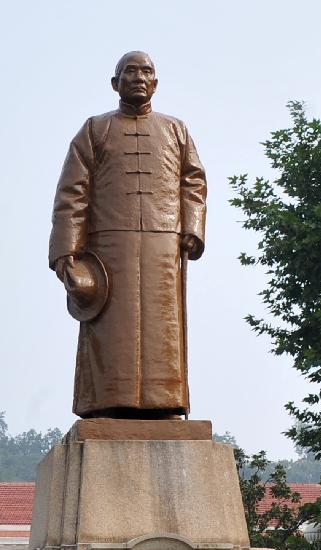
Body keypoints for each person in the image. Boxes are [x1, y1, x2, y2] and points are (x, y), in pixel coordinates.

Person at [50, 51, 207, 419]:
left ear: (155, 83)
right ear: (115, 82)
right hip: (108, 248)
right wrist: (65, 254)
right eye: (130, 71)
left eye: (146, 71)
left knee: (162, 327)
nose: (138, 77)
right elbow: (72, 193)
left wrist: (191, 227)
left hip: (162, 244)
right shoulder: (95, 129)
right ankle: (105, 402)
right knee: (111, 329)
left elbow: (194, 181)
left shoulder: (176, 130)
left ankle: (165, 403)